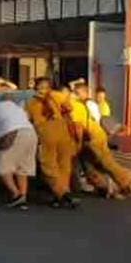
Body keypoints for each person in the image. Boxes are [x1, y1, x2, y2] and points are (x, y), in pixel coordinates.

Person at [70, 82, 131, 199]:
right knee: (88, 165)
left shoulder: (86, 105)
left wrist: (78, 143)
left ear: (85, 92)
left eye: (77, 93)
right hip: (90, 137)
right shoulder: (84, 104)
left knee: (104, 163)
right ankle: (103, 187)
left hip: (92, 137)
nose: (75, 95)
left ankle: (124, 183)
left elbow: (83, 124)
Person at [26, 77, 79, 209]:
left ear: (35, 87)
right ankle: (63, 193)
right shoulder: (58, 96)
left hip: (46, 133)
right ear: (49, 86)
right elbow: (69, 108)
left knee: (49, 165)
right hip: (62, 131)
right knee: (64, 164)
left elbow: (27, 119)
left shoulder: (31, 103)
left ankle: (61, 193)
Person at [0, 93, 38, 210]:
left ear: (1, 100)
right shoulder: (19, 109)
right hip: (31, 134)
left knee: (1, 167)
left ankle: (16, 195)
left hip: (12, 134)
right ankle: (23, 197)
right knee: (23, 167)